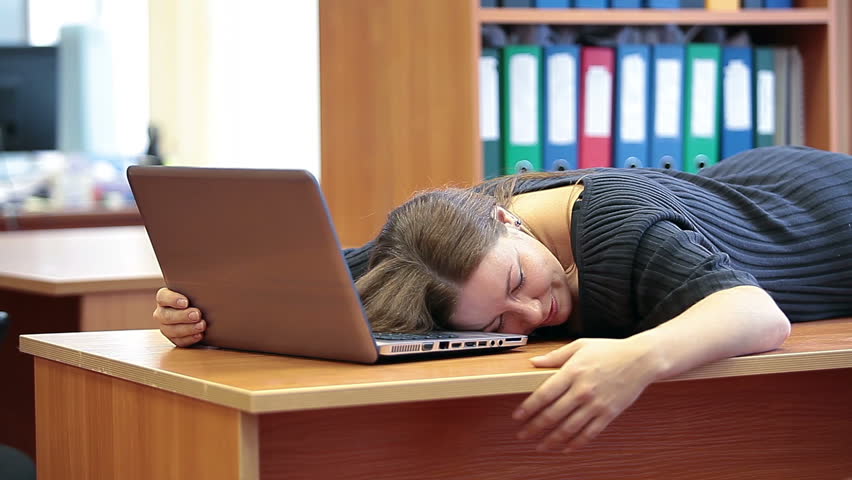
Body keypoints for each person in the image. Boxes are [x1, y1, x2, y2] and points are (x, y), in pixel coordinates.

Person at [154, 145, 852, 453]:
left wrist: (638, 359)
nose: (532, 317)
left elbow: (758, 315)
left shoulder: (618, 229)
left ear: (508, 217)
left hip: (826, 213)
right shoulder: (440, 244)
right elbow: (317, 278)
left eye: (518, 283)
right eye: (497, 322)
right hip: (740, 190)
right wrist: (195, 312)